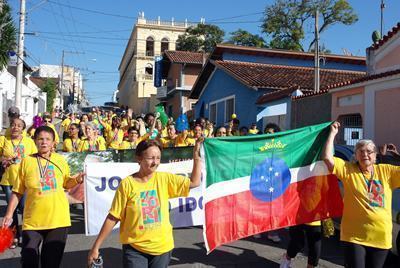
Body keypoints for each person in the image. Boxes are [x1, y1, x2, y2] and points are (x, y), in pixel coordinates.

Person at [87, 138, 203, 268]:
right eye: (151, 158)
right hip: (134, 249)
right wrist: (96, 247)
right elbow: (113, 216)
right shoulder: (127, 184)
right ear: (139, 158)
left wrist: (196, 155)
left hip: (162, 249)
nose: (155, 162)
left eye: (158, 158)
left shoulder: (164, 179)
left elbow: (194, 182)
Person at [1, 126, 85, 268]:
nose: (44, 142)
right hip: (33, 221)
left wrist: (76, 180)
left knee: (51, 263)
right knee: (29, 260)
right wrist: (8, 215)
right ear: (35, 141)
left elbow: (66, 183)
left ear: (53, 143)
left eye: (48, 139)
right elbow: (17, 191)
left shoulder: (60, 160)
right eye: (40, 139)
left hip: (58, 221)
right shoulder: (27, 161)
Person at [322, 121, 400, 268]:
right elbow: (327, 158)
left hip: (381, 237)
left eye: (369, 151)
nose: (365, 154)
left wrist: (397, 158)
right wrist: (332, 134)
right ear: (356, 155)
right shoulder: (348, 169)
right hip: (354, 236)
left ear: (375, 155)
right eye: (361, 151)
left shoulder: (386, 171)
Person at [0, 118, 37, 248]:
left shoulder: (29, 142)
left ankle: (28, 236)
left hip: (23, 181)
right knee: (12, 210)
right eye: (13, 125)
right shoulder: (4, 140)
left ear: (23, 128)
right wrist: (4, 159)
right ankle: (14, 236)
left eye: (19, 125)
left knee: (24, 208)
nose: (15, 127)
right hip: (8, 180)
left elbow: (34, 158)